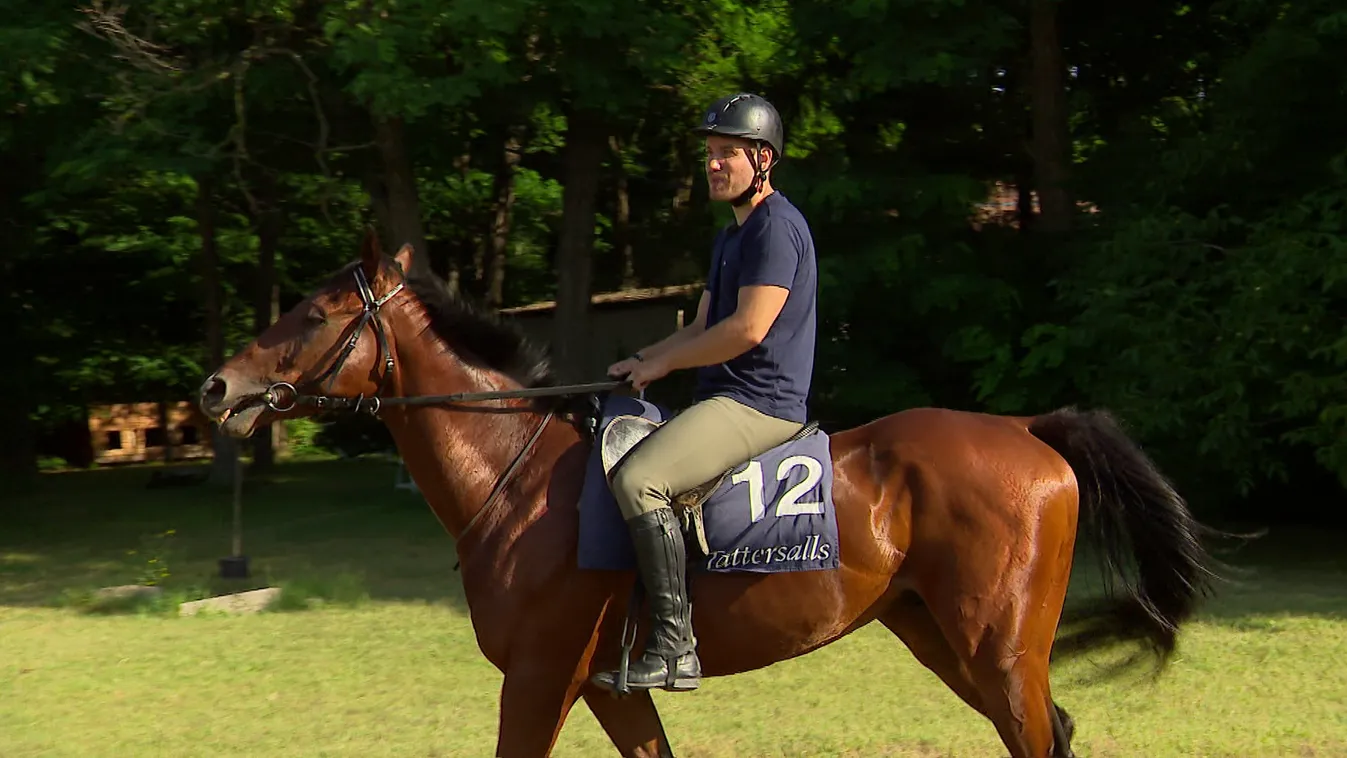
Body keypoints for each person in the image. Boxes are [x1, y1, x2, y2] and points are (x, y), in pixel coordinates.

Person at [590, 92, 819, 693]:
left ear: (763, 160)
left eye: (728, 154)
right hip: (727, 395)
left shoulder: (775, 229)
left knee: (641, 481)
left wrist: (664, 368)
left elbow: (746, 330)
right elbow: (701, 326)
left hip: (760, 403)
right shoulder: (731, 236)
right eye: (711, 154)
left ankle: (673, 646)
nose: (714, 165)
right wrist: (646, 360)